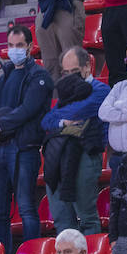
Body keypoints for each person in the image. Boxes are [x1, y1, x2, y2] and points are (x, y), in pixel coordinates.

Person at [0, 25, 51, 250]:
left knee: (26, 207)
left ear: (30, 46)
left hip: (24, 148)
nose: (14, 50)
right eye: (11, 45)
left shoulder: (39, 75)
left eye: (19, 45)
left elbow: (27, 110)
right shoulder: (6, 75)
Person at [40, 49, 107, 235]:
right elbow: (47, 120)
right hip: (60, 155)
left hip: (86, 154)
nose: (70, 76)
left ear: (87, 67)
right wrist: (63, 121)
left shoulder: (101, 90)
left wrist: (60, 118)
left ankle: (91, 252)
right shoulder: (66, 93)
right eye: (66, 72)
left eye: (74, 71)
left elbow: (79, 111)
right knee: (62, 218)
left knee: (86, 216)